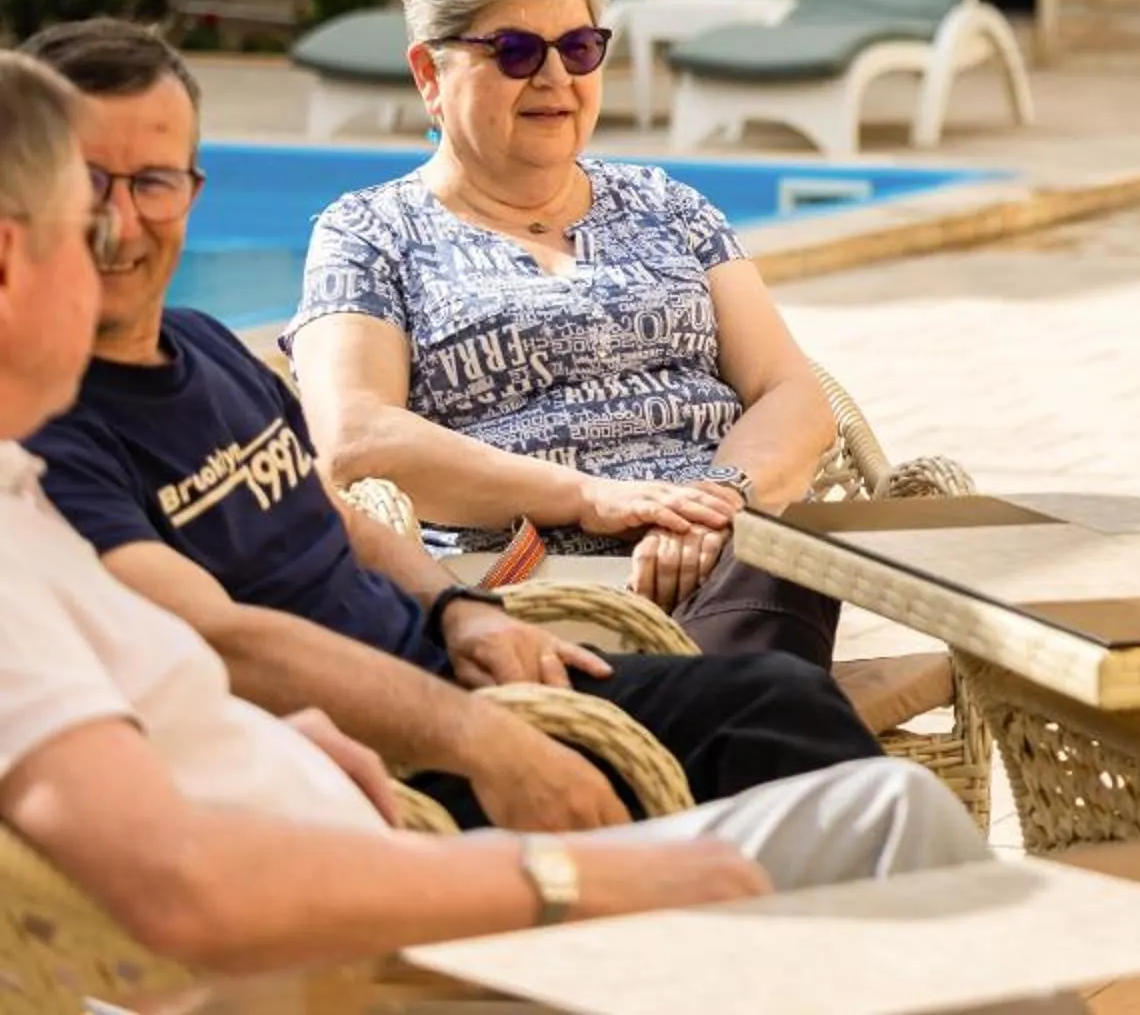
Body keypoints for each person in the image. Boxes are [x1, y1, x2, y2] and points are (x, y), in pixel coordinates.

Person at [0, 54, 987, 978]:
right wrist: (505, 783)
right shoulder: (50, 475)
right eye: (83, 201)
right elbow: (215, 695)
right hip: (412, 795)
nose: (118, 232)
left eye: (155, 182)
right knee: (851, 791)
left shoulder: (190, 355)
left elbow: (335, 522)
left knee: (799, 708)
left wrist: (458, 615)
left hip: (436, 691)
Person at [289, 0, 845, 664]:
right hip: (527, 583)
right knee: (768, 668)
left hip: (725, 559)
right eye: (515, 51)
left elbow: (793, 394)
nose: (555, 78)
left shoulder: (669, 206)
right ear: (430, 75)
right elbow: (353, 439)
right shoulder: (369, 233)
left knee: (787, 554)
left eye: (579, 48)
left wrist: (719, 501)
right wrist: (595, 498)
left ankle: (665, 737)